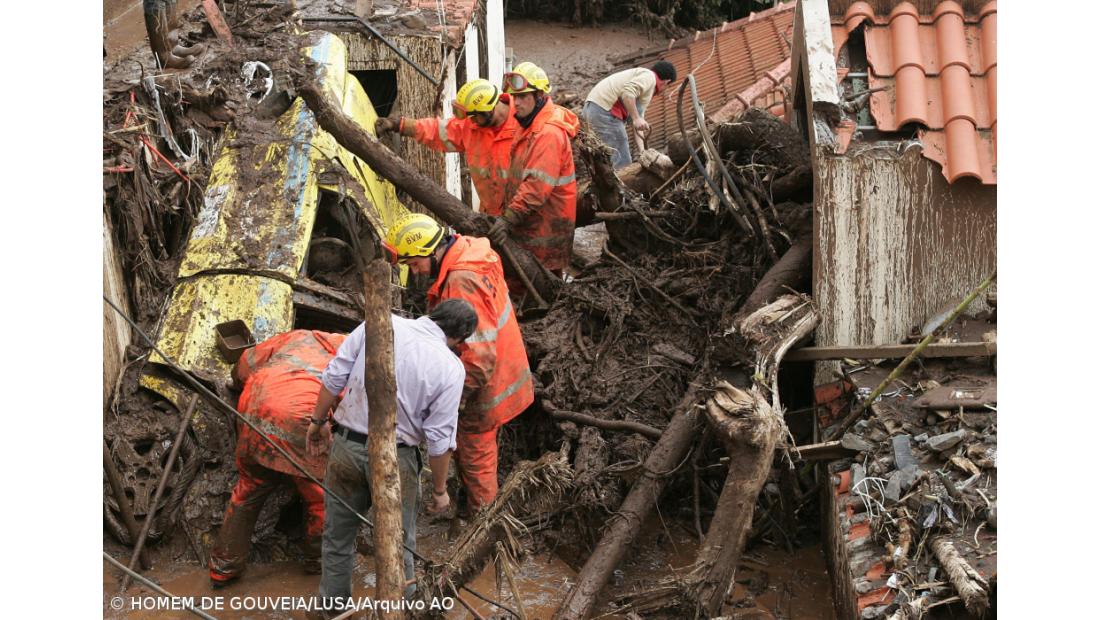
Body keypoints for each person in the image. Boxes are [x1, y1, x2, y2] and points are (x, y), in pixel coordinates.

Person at [305, 300, 478, 607]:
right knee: (400, 547)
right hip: (397, 460)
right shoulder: (451, 367)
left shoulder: (379, 323)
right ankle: (403, 610)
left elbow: (334, 375)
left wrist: (318, 422)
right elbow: (440, 439)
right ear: (459, 338)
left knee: (337, 539)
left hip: (347, 445)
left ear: (434, 313)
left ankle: (332, 608)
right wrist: (439, 491)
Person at [387, 213, 534, 513]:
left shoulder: (462, 279)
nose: (415, 273)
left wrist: (454, 399)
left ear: (433, 250)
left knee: (476, 453)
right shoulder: (467, 249)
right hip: (504, 369)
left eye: (415, 264)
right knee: (471, 451)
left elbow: (478, 356)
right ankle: (468, 505)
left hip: (485, 384)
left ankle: (482, 528)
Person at [208, 329, 347, 587]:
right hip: (301, 419)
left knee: (248, 490)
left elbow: (244, 364)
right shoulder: (352, 356)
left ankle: (222, 569)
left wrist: (238, 384)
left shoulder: (297, 336)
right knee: (320, 495)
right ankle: (317, 561)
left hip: (253, 405)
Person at [488, 61, 580, 282]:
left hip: (544, 225)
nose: (515, 104)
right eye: (513, 98)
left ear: (539, 96)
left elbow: (536, 188)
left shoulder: (547, 133)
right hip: (535, 221)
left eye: (522, 97)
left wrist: (508, 220)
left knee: (537, 282)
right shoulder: (528, 123)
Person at [375, 78, 518, 216]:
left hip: (522, 221)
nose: (471, 121)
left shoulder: (525, 129)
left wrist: (512, 218)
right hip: (492, 217)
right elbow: (436, 131)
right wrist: (398, 124)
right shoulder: (473, 127)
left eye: (474, 117)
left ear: (488, 111)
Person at [581, 61, 677, 169]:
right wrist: (636, 118)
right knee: (622, 157)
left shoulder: (643, 83)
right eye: (669, 86)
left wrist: (642, 151)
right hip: (603, 110)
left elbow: (638, 123)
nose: (665, 90)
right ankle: (624, 184)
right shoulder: (649, 77)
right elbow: (628, 94)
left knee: (604, 158)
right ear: (666, 82)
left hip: (592, 108)